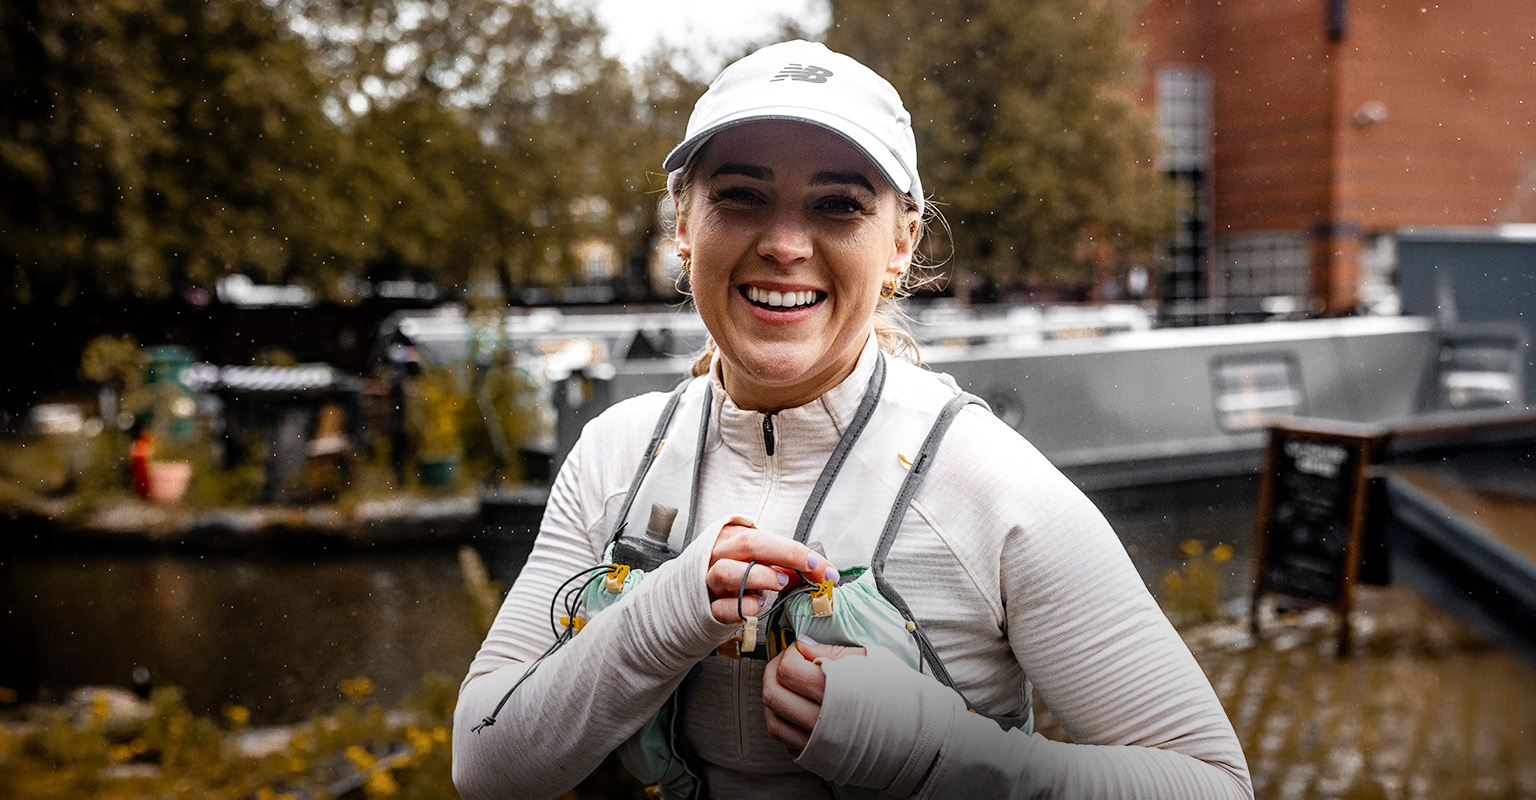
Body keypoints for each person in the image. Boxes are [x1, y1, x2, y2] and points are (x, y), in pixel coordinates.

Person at [453, 40, 1253, 800]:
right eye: (740, 197)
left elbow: (1214, 781)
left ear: (901, 244)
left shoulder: (990, 483)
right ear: (683, 229)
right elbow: (485, 768)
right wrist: (660, 618)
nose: (785, 244)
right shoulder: (613, 457)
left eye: (838, 206)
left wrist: (942, 755)